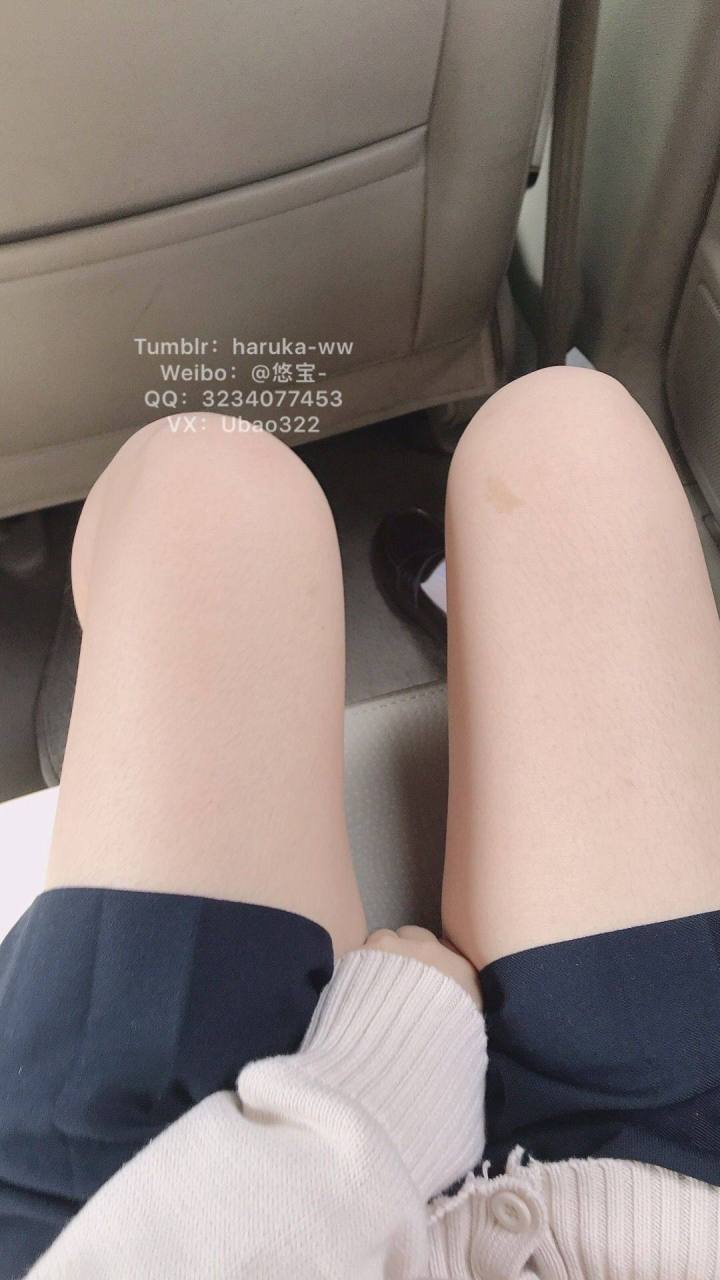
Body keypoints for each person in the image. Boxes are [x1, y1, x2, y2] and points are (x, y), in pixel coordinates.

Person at [2, 367, 720, 1278]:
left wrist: (385, 1080)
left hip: (145, 1221)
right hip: (676, 1212)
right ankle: (493, 659)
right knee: (568, 436)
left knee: (202, 485)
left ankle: (493, 657)